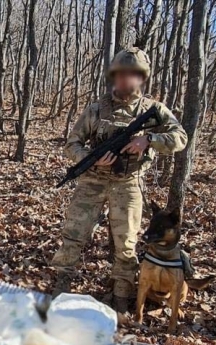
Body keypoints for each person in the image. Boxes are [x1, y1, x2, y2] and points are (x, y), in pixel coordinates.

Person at [51, 47, 187, 313]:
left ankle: (122, 296)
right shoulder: (96, 109)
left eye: (133, 74)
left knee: (126, 243)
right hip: (92, 180)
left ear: (142, 77)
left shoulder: (154, 110)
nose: (126, 79)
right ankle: (61, 285)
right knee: (74, 235)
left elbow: (180, 138)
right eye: (121, 74)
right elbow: (72, 144)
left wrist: (149, 139)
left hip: (129, 182)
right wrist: (89, 157)